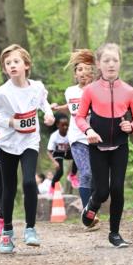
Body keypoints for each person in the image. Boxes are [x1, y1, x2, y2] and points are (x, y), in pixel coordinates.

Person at [0, 44, 54, 253]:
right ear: (5, 69)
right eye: (8, 63)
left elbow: (43, 101)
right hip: (7, 144)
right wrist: (9, 122)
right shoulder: (2, 93)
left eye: (16, 62)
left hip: (29, 141)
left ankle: (30, 229)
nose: (11, 65)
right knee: (9, 188)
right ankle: (7, 234)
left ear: (26, 65)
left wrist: (48, 114)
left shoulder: (36, 86)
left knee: (29, 181)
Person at [74, 42, 133, 248]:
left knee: (117, 189)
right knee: (102, 191)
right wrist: (89, 131)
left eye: (115, 60)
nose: (111, 64)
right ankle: (91, 208)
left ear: (120, 62)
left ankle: (114, 233)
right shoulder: (90, 91)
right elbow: (79, 117)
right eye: (106, 60)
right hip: (98, 147)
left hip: (120, 146)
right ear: (98, 64)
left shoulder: (129, 91)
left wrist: (131, 126)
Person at [55, 49, 96, 212]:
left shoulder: (97, 90)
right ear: (75, 75)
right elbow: (73, 107)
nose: (83, 73)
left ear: (92, 73)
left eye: (87, 69)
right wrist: (59, 108)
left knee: (95, 176)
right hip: (77, 138)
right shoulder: (69, 91)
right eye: (80, 70)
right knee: (85, 173)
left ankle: (93, 207)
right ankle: (88, 212)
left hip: (97, 137)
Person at [47, 116, 72, 193]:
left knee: (77, 156)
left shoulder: (70, 133)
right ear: (58, 125)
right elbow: (49, 151)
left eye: (66, 125)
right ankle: (52, 187)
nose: (65, 127)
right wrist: (54, 162)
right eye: (63, 125)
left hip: (67, 152)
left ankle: (73, 175)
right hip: (58, 153)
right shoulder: (54, 136)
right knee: (60, 172)